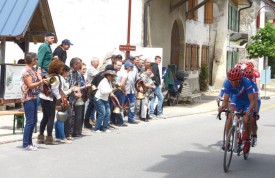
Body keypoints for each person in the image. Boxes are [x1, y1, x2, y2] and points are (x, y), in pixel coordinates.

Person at [218, 67, 255, 153]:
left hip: (247, 101)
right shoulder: (227, 83)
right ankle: (227, 142)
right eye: (231, 81)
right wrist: (222, 107)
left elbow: (252, 101)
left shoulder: (246, 82)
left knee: (246, 120)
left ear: (240, 79)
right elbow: (226, 100)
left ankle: (247, 140)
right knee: (230, 117)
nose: (233, 83)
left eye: (235, 81)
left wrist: (248, 111)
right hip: (237, 100)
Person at [21, 52, 47, 150]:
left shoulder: (33, 70)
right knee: (30, 121)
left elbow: (36, 82)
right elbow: (30, 85)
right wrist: (40, 82)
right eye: (36, 59)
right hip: (28, 98)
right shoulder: (26, 72)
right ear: (32, 60)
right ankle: (26, 144)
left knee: (34, 121)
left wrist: (41, 78)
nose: (37, 61)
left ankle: (30, 142)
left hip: (34, 97)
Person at [37, 58, 64, 145]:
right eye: (61, 68)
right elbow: (55, 89)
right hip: (49, 99)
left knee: (45, 117)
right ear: (57, 68)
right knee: (51, 118)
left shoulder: (48, 75)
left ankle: (40, 137)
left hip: (42, 97)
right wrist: (59, 98)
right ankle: (49, 139)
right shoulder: (55, 77)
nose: (62, 69)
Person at [54, 65, 74, 144]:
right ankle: (62, 137)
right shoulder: (60, 79)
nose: (68, 73)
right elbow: (61, 92)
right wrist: (70, 90)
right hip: (61, 99)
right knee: (61, 118)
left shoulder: (60, 78)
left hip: (59, 99)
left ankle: (58, 136)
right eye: (67, 71)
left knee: (59, 118)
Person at [242, 69, 260, 147]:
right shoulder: (241, 83)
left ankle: (254, 135)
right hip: (245, 100)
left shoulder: (254, 85)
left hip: (255, 101)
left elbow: (255, 100)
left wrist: (255, 112)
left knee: (252, 119)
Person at [66, 57, 83, 138]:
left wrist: (79, 92)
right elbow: (67, 85)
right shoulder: (68, 73)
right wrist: (74, 90)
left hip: (76, 96)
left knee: (77, 114)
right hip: (69, 96)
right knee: (70, 115)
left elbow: (79, 84)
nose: (80, 65)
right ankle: (69, 132)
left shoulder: (78, 73)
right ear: (75, 64)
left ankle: (76, 131)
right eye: (79, 63)